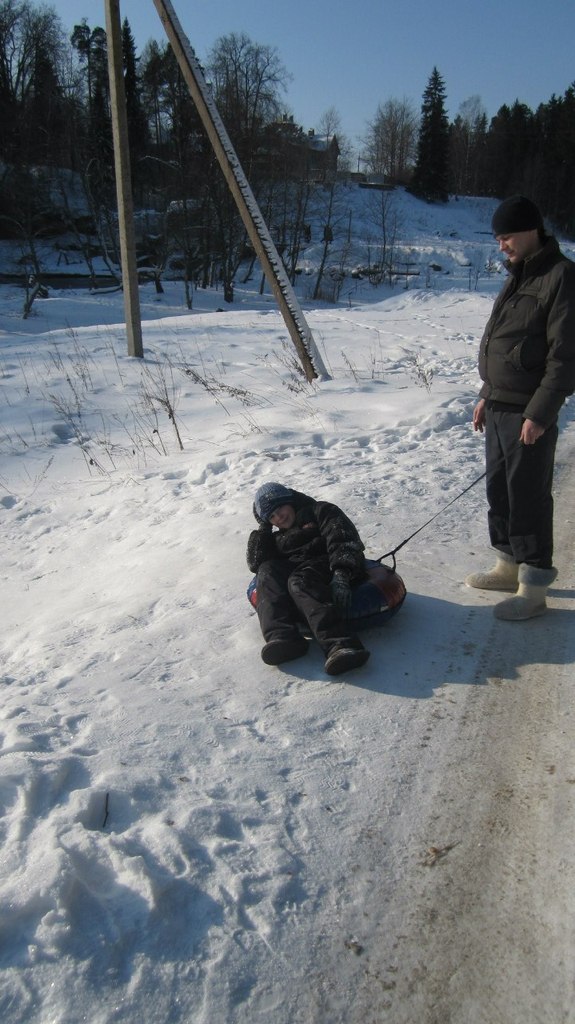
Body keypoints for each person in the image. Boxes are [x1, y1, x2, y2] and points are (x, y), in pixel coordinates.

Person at [467, 195, 575, 619]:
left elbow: (565, 355)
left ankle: (533, 586)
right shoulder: (519, 276)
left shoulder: (561, 277)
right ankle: (507, 565)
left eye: (507, 236)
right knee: (499, 489)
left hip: (528, 410)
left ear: (532, 230)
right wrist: (486, 392)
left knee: (527, 495)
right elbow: (504, 340)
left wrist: (540, 412)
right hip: (498, 405)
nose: (501, 246)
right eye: (498, 238)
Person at [247, 482, 370, 675]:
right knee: (267, 570)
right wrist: (264, 528)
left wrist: (341, 573)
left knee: (298, 581)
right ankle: (283, 637)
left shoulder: (321, 510)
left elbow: (343, 539)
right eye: (271, 516)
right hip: (301, 566)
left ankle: (341, 644)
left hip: (328, 562)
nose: (278, 518)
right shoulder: (279, 537)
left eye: (279, 509)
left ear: (289, 501)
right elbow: (256, 562)